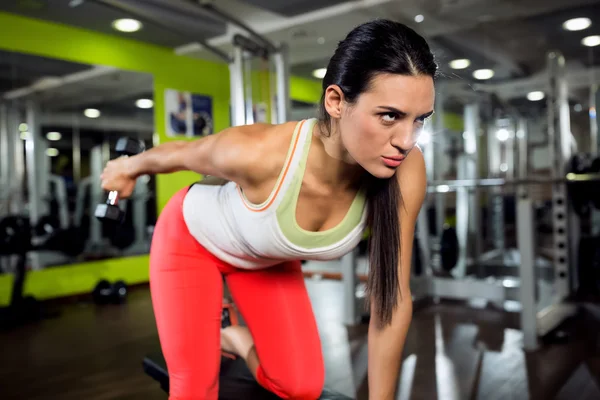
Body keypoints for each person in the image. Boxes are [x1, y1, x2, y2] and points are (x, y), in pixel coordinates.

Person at [100, 18, 436, 400]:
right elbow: (181, 153)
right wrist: (127, 168)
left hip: (264, 260)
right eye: (390, 115)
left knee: (300, 387)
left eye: (419, 120)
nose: (407, 140)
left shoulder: (407, 171)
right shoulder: (260, 153)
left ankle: (232, 333)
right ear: (336, 102)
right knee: (194, 389)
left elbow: (391, 299)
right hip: (191, 243)